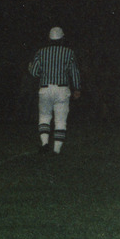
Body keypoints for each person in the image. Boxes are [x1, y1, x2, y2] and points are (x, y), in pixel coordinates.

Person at [29, 26, 82, 154]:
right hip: (62, 89)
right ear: (62, 39)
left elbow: (34, 72)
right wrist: (77, 88)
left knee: (44, 117)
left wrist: (31, 68)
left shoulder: (41, 52)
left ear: (49, 39)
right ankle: (56, 149)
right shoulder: (69, 52)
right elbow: (74, 72)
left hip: (45, 88)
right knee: (60, 120)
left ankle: (45, 143)